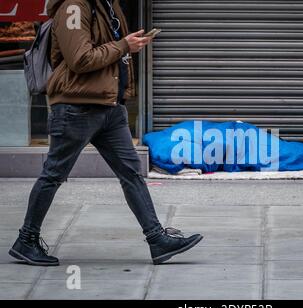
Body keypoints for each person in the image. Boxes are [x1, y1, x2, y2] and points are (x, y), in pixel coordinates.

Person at [8, 0, 203, 266]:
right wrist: (124, 45)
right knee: (53, 174)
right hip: (77, 107)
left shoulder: (108, 6)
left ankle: (157, 240)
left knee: (131, 173)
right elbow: (79, 59)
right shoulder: (74, 6)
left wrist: (126, 54)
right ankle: (26, 240)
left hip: (110, 107)